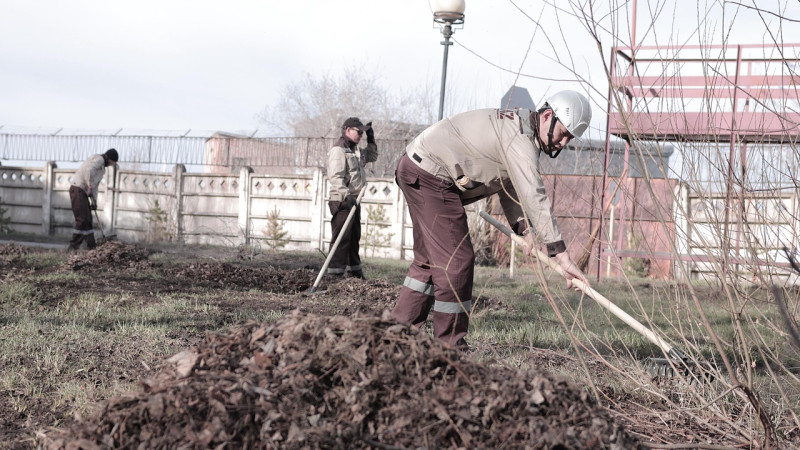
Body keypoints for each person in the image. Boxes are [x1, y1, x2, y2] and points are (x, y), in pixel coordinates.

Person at [392, 90, 592, 348]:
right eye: (563, 133)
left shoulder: (520, 130)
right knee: (457, 262)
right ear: (547, 116)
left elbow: (508, 184)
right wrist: (560, 255)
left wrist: (524, 230)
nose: (563, 143)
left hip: (419, 168)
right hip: (431, 174)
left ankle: (398, 335)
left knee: (429, 262)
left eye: (570, 138)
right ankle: (450, 347)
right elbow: (534, 194)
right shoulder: (520, 140)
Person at [326, 117, 378, 279]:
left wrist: (371, 138)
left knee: (354, 237)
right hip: (342, 200)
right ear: (348, 130)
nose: (361, 134)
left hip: (354, 200)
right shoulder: (339, 150)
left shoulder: (354, 150)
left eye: (363, 132)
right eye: (359, 131)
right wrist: (346, 196)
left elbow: (372, 156)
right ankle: (334, 275)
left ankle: (354, 273)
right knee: (342, 238)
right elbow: (335, 177)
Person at [68, 148, 118, 250]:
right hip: (77, 189)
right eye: (112, 162)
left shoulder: (102, 169)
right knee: (82, 220)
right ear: (109, 158)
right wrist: (89, 186)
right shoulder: (99, 159)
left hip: (83, 193)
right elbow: (88, 170)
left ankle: (91, 248)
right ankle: (73, 247)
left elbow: (95, 186)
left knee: (88, 221)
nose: (112, 165)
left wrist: (94, 202)